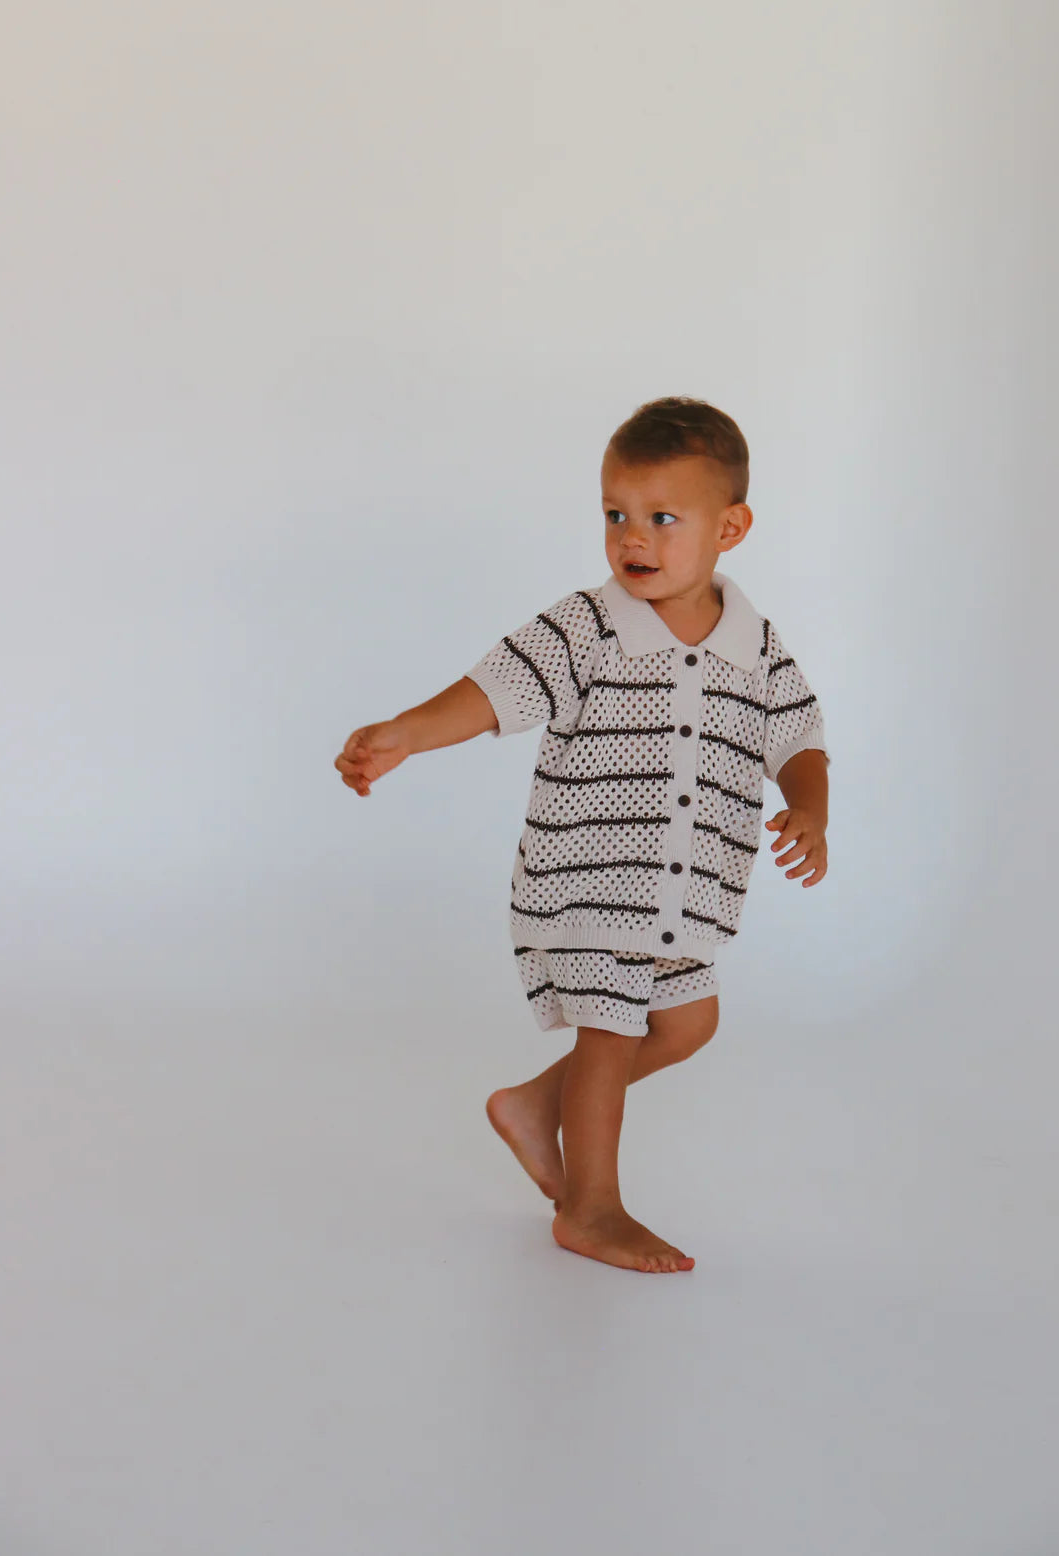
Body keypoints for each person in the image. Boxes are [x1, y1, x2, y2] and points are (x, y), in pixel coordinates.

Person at [335, 396, 830, 1275]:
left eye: (662, 518)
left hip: (684, 897)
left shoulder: (756, 645)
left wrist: (809, 807)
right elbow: (495, 689)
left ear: (731, 527)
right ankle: (591, 1208)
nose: (632, 538)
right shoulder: (588, 625)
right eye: (615, 515)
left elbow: (797, 735)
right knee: (611, 1031)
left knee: (688, 1023)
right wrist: (407, 732)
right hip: (587, 883)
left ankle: (534, 1106)